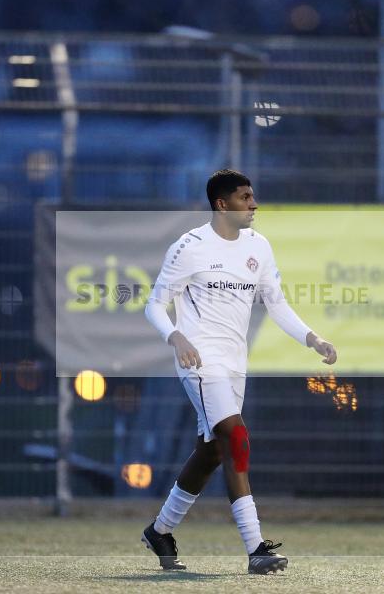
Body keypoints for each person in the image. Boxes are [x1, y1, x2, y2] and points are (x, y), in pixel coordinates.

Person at [141, 169, 337, 574]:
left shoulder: (258, 246)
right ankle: (256, 548)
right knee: (236, 437)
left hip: (235, 363)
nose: (254, 204)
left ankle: (159, 531)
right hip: (200, 360)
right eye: (245, 197)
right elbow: (154, 305)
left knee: (213, 451)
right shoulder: (189, 246)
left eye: (252, 196)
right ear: (222, 204)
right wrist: (176, 337)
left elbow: (276, 303)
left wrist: (312, 338)